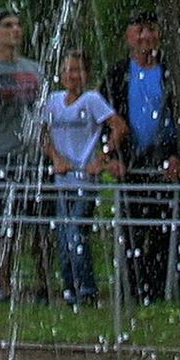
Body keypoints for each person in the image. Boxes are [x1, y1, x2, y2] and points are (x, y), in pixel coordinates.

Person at [101, 11, 180, 304]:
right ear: (129, 36)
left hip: (163, 160)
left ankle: (161, 290)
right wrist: (111, 154)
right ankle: (133, 291)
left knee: (164, 229)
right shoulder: (117, 73)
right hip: (130, 162)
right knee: (132, 230)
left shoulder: (170, 71)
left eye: (151, 30)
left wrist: (176, 154)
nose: (145, 37)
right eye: (139, 30)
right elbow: (105, 116)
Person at [42, 49, 127, 305]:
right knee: (63, 236)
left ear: (86, 74)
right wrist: (55, 157)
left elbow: (118, 127)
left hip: (84, 180)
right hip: (62, 179)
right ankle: (70, 290)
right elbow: (42, 133)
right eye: (68, 70)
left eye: (77, 70)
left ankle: (87, 290)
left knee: (76, 233)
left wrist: (100, 157)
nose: (72, 75)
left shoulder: (91, 100)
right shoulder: (54, 101)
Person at [0, 9, 45, 301]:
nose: (15, 30)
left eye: (19, 25)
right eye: (7, 25)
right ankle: (2, 282)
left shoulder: (35, 70)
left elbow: (42, 114)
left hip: (31, 158)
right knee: (0, 224)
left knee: (36, 223)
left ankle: (43, 284)